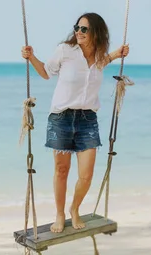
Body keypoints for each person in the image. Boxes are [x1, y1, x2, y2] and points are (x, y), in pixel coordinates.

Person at [21, 12, 130, 233]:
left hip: (88, 120)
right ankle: (60, 214)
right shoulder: (65, 51)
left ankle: (74, 208)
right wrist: (31, 57)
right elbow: (46, 72)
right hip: (61, 118)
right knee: (62, 170)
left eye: (84, 29)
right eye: (77, 28)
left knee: (86, 175)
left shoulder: (99, 56)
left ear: (96, 33)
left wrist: (117, 54)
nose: (78, 32)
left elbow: (102, 63)